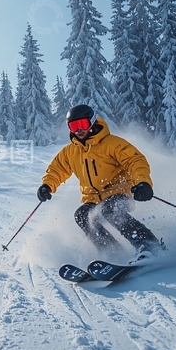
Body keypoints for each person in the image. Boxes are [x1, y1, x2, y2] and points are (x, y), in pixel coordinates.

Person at [36, 105, 163, 258]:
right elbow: (57, 170)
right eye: (73, 126)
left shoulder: (112, 143)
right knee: (82, 215)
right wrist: (47, 186)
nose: (78, 130)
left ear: (92, 121)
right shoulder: (70, 152)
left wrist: (143, 183)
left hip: (120, 191)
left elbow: (135, 161)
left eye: (82, 124)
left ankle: (150, 245)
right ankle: (113, 253)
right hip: (92, 199)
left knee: (110, 209)